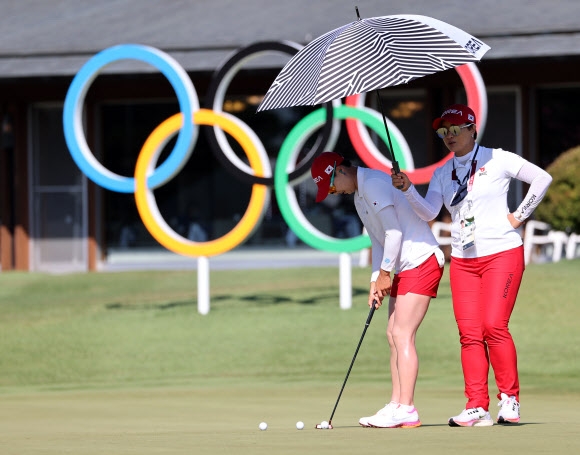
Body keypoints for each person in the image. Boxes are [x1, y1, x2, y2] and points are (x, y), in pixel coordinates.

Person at [391, 104, 553, 427]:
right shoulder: (442, 173)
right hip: (463, 261)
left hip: (503, 254)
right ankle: (476, 405)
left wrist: (518, 217)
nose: (449, 136)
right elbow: (429, 212)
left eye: (455, 130)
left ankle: (510, 400)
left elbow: (542, 179)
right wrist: (408, 189)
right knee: (469, 333)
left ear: (472, 129)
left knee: (494, 325)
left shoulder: (498, 158)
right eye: (443, 131)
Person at [311, 151, 445, 429]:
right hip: (403, 266)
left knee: (402, 333)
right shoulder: (359, 196)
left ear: (341, 171)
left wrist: (386, 273)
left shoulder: (372, 183)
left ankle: (407, 408)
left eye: (332, 186)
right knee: (391, 333)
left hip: (421, 260)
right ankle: (396, 404)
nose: (334, 193)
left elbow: (394, 233)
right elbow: (379, 240)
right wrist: (376, 280)